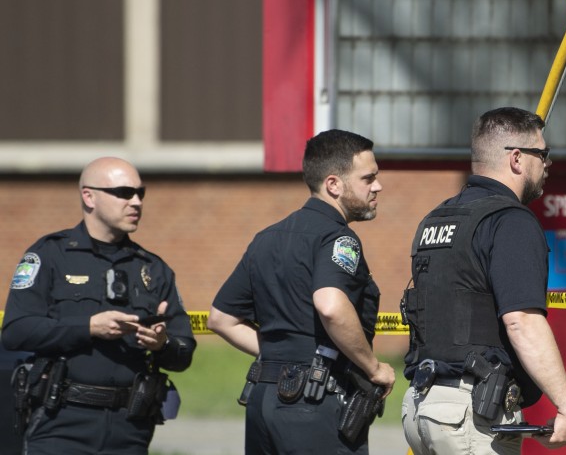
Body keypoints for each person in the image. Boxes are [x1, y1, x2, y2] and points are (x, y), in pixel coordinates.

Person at [401, 106, 566, 454]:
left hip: (420, 407)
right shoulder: (510, 220)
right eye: (543, 154)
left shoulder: (435, 219)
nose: (548, 165)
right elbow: (521, 321)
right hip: (468, 418)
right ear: (517, 159)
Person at [208, 129, 395, 455]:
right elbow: (331, 306)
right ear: (334, 184)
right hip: (315, 405)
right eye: (368, 178)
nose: (377, 186)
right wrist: (374, 367)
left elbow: (221, 319)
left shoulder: (266, 238)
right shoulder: (338, 238)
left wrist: (280, 358)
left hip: (263, 401)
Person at [2, 157, 195, 454]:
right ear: (88, 196)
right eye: (123, 192)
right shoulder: (50, 255)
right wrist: (89, 327)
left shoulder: (153, 269)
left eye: (140, 193)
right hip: (61, 423)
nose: (136, 202)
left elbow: (184, 352)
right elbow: (16, 331)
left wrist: (162, 344)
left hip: (130, 428)